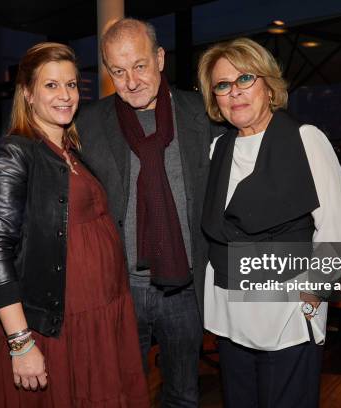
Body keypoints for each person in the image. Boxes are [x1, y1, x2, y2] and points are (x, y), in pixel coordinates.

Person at [0, 42, 148, 407]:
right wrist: (21, 343)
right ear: (28, 94)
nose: (65, 95)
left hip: (102, 313)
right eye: (51, 85)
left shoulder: (71, 151)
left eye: (71, 85)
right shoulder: (13, 154)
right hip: (59, 324)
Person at [197, 38, 341, 407]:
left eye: (245, 78)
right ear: (214, 97)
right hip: (229, 309)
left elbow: (335, 224)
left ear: (268, 85)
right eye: (223, 84)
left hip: (285, 312)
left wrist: (315, 295)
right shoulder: (217, 148)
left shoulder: (305, 140)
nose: (234, 92)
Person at [76, 18, 223, 407]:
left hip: (185, 287)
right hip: (119, 289)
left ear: (160, 58)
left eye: (140, 66)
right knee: (121, 395)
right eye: (118, 71)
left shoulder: (202, 114)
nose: (131, 81)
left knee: (183, 393)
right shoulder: (87, 125)